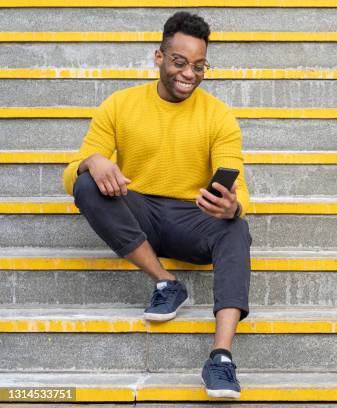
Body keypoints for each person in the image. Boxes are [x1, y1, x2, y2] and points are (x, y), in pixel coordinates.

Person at [62, 12, 250, 399]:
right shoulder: (120, 105)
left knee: (237, 227)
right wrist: (91, 161)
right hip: (139, 212)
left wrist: (231, 206)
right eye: (180, 62)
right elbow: (71, 176)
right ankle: (166, 281)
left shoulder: (219, 116)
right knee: (86, 183)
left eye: (199, 66)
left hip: (192, 219)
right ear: (159, 57)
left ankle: (221, 358)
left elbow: (240, 188)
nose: (189, 74)